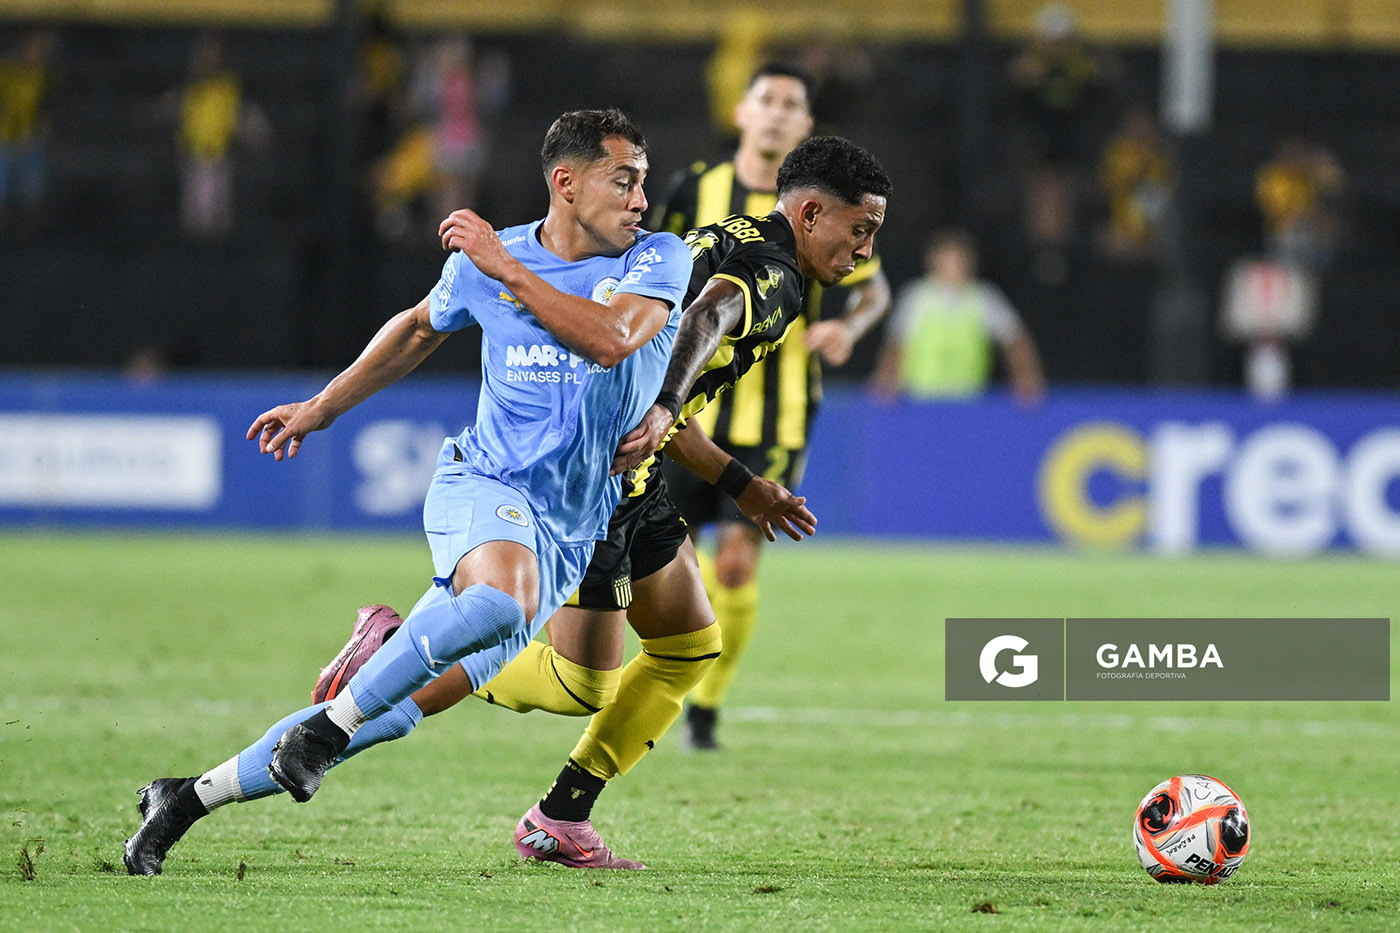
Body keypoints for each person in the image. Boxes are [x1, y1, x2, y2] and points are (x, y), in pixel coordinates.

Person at [125, 136, 891, 874]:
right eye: (861, 230)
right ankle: (416, 659)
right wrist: (662, 406)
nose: (863, 251)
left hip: (614, 483)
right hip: (583, 489)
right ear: (811, 214)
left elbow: (644, 367)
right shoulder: (770, 273)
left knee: (685, 644)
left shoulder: (698, 243)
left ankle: (192, 796)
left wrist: (736, 479)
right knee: (557, 678)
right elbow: (703, 319)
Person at [653, 63, 892, 750]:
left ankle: (704, 706)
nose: (780, 113)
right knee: (670, 567)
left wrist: (847, 326)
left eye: (795, 104)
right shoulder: (695, 189)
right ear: (742, 111)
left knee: (733, 563)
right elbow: (668, 272)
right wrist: (666, 395)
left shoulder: (842, 211)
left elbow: (876, 288)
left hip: (776, 409)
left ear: (806, 126)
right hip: (683, 405)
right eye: (770, 100)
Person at [871, 229, 1045, 403]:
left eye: (958, 262)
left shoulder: (985, 298)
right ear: (932, 263)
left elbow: (1015, 340)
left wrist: (1026, 376)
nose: (952, 269)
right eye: (946, 262)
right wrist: (886, 378)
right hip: (921, 400)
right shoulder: (916, 297)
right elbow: (896, 344)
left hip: (969, 400)